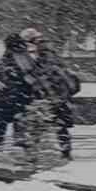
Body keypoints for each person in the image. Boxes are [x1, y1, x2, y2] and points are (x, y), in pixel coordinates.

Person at [24, 29, 81, 159]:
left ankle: (33, 154)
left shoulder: (44, 61)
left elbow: (42, 80)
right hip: (59, 99)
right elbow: (67, 82)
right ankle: (65, 152)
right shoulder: (56, 60)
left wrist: (37, 87)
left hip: (50, 99)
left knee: (38, 126)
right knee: (59, 127)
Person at [0, 34, 35, 153]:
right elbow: (31, 77)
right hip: (20, 96)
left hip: (6, 97)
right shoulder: (24, 57)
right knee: (19, 123)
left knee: (1, 124)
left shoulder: (10, 57)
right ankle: (19, 147)